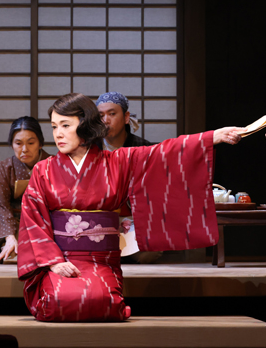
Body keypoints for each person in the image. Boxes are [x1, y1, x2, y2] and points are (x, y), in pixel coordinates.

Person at [18, 92, 244, 322]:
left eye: (66, 125)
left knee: (104, 302)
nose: (58, 133)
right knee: (57, 302)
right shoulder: (43, 170)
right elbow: (32, 219)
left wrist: (213, 137)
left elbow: (163, 152)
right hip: (61, 260)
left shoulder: (117, 161)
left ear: (85, 125)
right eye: (54, 126)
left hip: (101, 260)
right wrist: (54, 262)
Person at [96, 91, 161, 264]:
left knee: (148, 254)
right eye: (101, 115)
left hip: (135, 221)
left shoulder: (144, 149)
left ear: (126, 117)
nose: (105, 120)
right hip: (100, 221)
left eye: (112, 114)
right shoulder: (90, 150)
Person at [0, 117, 51, 263]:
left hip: (46, 224)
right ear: (11, 144)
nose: (24, 149)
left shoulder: (52, 165)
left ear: (40, 143)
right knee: (13, 255)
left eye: (31, 143)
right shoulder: (5, 168)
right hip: (15, 224)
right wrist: (10, 236)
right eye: (18, 143)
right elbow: (0, 205)